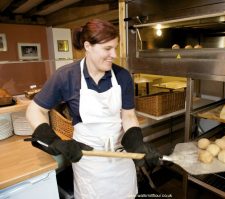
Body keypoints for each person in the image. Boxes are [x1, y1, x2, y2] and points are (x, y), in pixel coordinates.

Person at [25, 19, 160, 199]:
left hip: (121, 156)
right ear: (87, 46)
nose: (114, 54)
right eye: (107, 49)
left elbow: (128, 115)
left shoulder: (122, 76)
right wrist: (54, 140)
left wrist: (136, 142)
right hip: (88, 159)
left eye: (115, 47)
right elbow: (34, 110)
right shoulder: (66, 76)